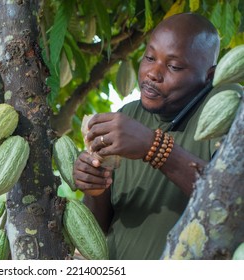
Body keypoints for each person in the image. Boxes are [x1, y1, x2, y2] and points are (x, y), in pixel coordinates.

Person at [72, 13, 225, 259]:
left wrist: (154, 147)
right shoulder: (127, 115)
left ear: (209, 75)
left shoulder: (227, 111)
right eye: (149, 57)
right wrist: (94, 185)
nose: (153, 73)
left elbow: (230, 204)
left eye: (173, 66)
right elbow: (97, 228)